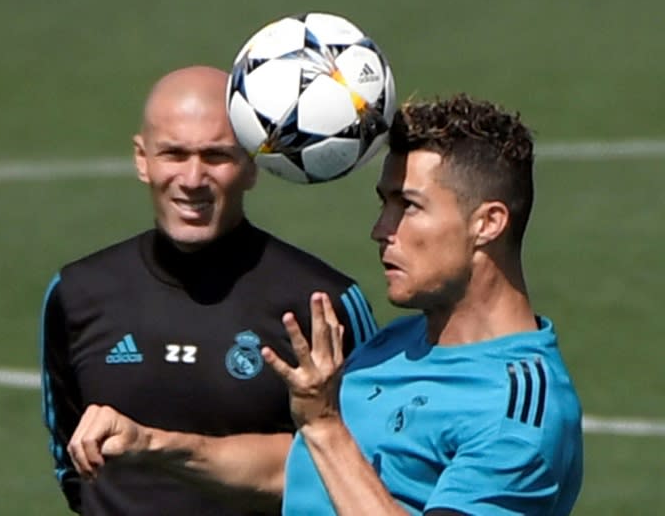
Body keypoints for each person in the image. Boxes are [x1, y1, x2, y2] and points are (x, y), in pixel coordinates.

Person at [39, 65, 378, 515]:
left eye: (216, 156)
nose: (193, 178)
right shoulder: (78, 293)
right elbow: (71, 466)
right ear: (142, 159)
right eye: (174, 154)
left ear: (252, 164)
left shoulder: (321, 301)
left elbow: (366, 466)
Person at [262, 94, 584, 515]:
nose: (381, 229)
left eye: (408, 206)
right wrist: (162, 444)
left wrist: (325, 426)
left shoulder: (517, 411)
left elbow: (326, 442)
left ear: (488, 224)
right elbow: (299, 473)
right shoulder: (394, 343)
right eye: (385, 203)